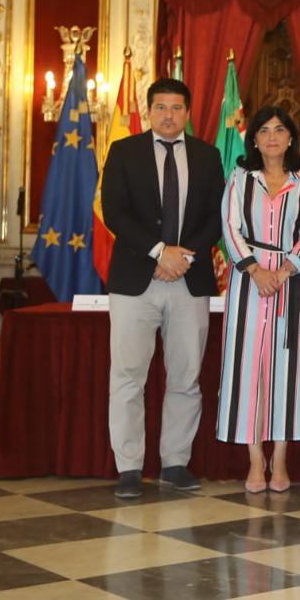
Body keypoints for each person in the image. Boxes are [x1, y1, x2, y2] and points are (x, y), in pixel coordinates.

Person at [100, 77, 224, 498]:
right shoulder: (123, 151)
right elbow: (115, 212)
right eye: (161, 107)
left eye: (176, 108)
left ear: (188, 113)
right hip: (136, 281)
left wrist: (182, 256)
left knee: (186, 377)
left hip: (188, 281)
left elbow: (216, 216)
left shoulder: (208, 156)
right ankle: (129, 467)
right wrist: (158, 252)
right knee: (127, 377)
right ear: (149, 110)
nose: (168, 115)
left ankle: (175, 462)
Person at [217, 106, 300, 494]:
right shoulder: (239, 178)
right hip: (249, 283)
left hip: (294, 284)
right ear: (255, 139)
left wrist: (284, 270)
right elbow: (229, 226)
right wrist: (255, 270)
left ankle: (280, 459)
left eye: (280, 130)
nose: (273, 136)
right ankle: (254, 459)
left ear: (291, 138)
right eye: (265, 131)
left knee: (288, 372)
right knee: (249, 370)